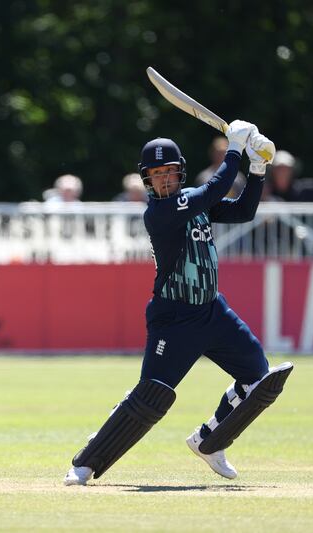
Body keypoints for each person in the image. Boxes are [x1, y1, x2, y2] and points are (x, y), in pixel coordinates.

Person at [64, 121, 293, 486]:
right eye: (156, 175)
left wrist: (258, 168)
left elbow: (243, 211)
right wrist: (235, 148)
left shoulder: (194, 203)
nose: (164, 180)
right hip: (175, 319)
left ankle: (210, 441)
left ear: (180, 172)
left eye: (169, 172)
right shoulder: (162, 212)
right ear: (147, 181)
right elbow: (215, 188)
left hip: (213, 313)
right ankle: (86, 463)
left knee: (258, 379)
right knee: (150, 397)